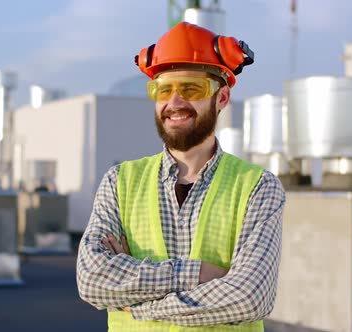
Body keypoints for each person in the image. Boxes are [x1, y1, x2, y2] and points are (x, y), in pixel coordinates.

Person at [77, 21, 285, 331]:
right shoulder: (119, 182)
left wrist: (140, 306)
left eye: (191, 88)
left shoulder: (257, 187)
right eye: (163, 90)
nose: (174, 102)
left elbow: (250, 297)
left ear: (222, 98)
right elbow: (92, 281)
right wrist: (197, 273)